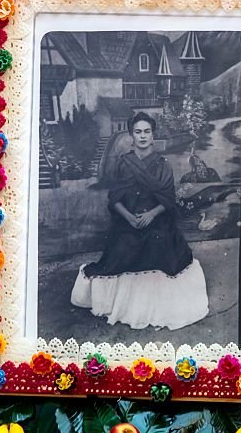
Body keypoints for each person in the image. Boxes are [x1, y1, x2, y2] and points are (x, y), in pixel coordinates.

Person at [70, 112, 209, 330]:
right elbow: (114, 199)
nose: (142, 136)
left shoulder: (164, 165)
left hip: (157, 221)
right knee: (124, 248)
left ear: (153, 135)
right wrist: (129, 218)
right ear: (131, 135)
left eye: (147, 132)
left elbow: (168, 200)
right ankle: (123, 304)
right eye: (138, 132)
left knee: (161, 246)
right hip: (127, 221)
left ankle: (156, 307)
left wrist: (151, 215)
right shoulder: (123, 164)